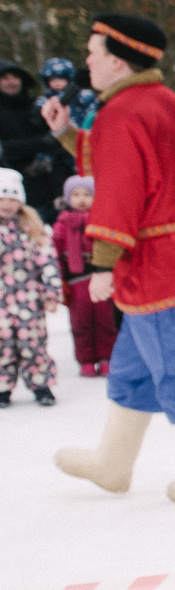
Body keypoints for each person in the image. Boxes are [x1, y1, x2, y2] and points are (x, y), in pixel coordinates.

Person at [49, 13, 175, 502]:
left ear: (118, 61)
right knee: (132, 370)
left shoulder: (121, 112)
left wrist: (101, 264)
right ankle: (113, 464)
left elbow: (119, 190)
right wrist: (67, 134)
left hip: (157, 268)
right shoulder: (159, 100)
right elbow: (129, 162)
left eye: (93, 53)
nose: (87, 62)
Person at [0, 166, 62, 405]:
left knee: (32, 343)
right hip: (1, 300)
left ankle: (41, 384)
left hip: (28, 299)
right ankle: (2, 387)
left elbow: (47, 262)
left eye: (12, 199)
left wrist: (51, 292)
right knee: (2, 343)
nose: (7, 204)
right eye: (1, 199)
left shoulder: (32, 229)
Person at [51, 176, 117, 376]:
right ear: (67, 198)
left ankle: (107, 357)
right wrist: (60, 279)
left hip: (100, 275)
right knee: (81, 322)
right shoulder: (61, 225)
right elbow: (55, 253)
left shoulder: (103, 221)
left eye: (87, 195)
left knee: (106, 319)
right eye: (76, 195)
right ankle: (86, 359)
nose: (82, 199)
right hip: (76, 279)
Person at [1, 58, 72, 224]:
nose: (11, 82)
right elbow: (3, 149)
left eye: (15, 77)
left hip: (50, 186)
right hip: (11, 191)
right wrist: (41, 143)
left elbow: (58, 139)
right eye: (4, 78)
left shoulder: (39, 105)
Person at [35, 57, 98, 178]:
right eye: (53, 80)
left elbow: (92, 111)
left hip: (81, 131)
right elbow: (38, 119)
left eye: (61, 79)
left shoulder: (82, 95)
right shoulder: (46, 99)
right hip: (57, 140)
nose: (57, 83)